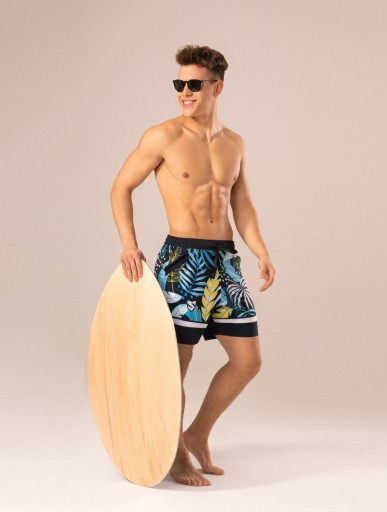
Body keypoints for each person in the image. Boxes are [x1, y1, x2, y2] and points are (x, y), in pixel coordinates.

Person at [110, 45, 276, 487]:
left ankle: (196, 434)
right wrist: (129, 245)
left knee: (247, 361)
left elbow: (243, 205)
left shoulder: (234, 143)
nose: (184, 91)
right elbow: (120, 188)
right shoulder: (162, 136)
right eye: (179, 83)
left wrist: (260, 250)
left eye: (194, 84)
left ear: (216, 87)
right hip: (182, 260)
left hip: (226, 262)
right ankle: (175, 455)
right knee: (174, 367)